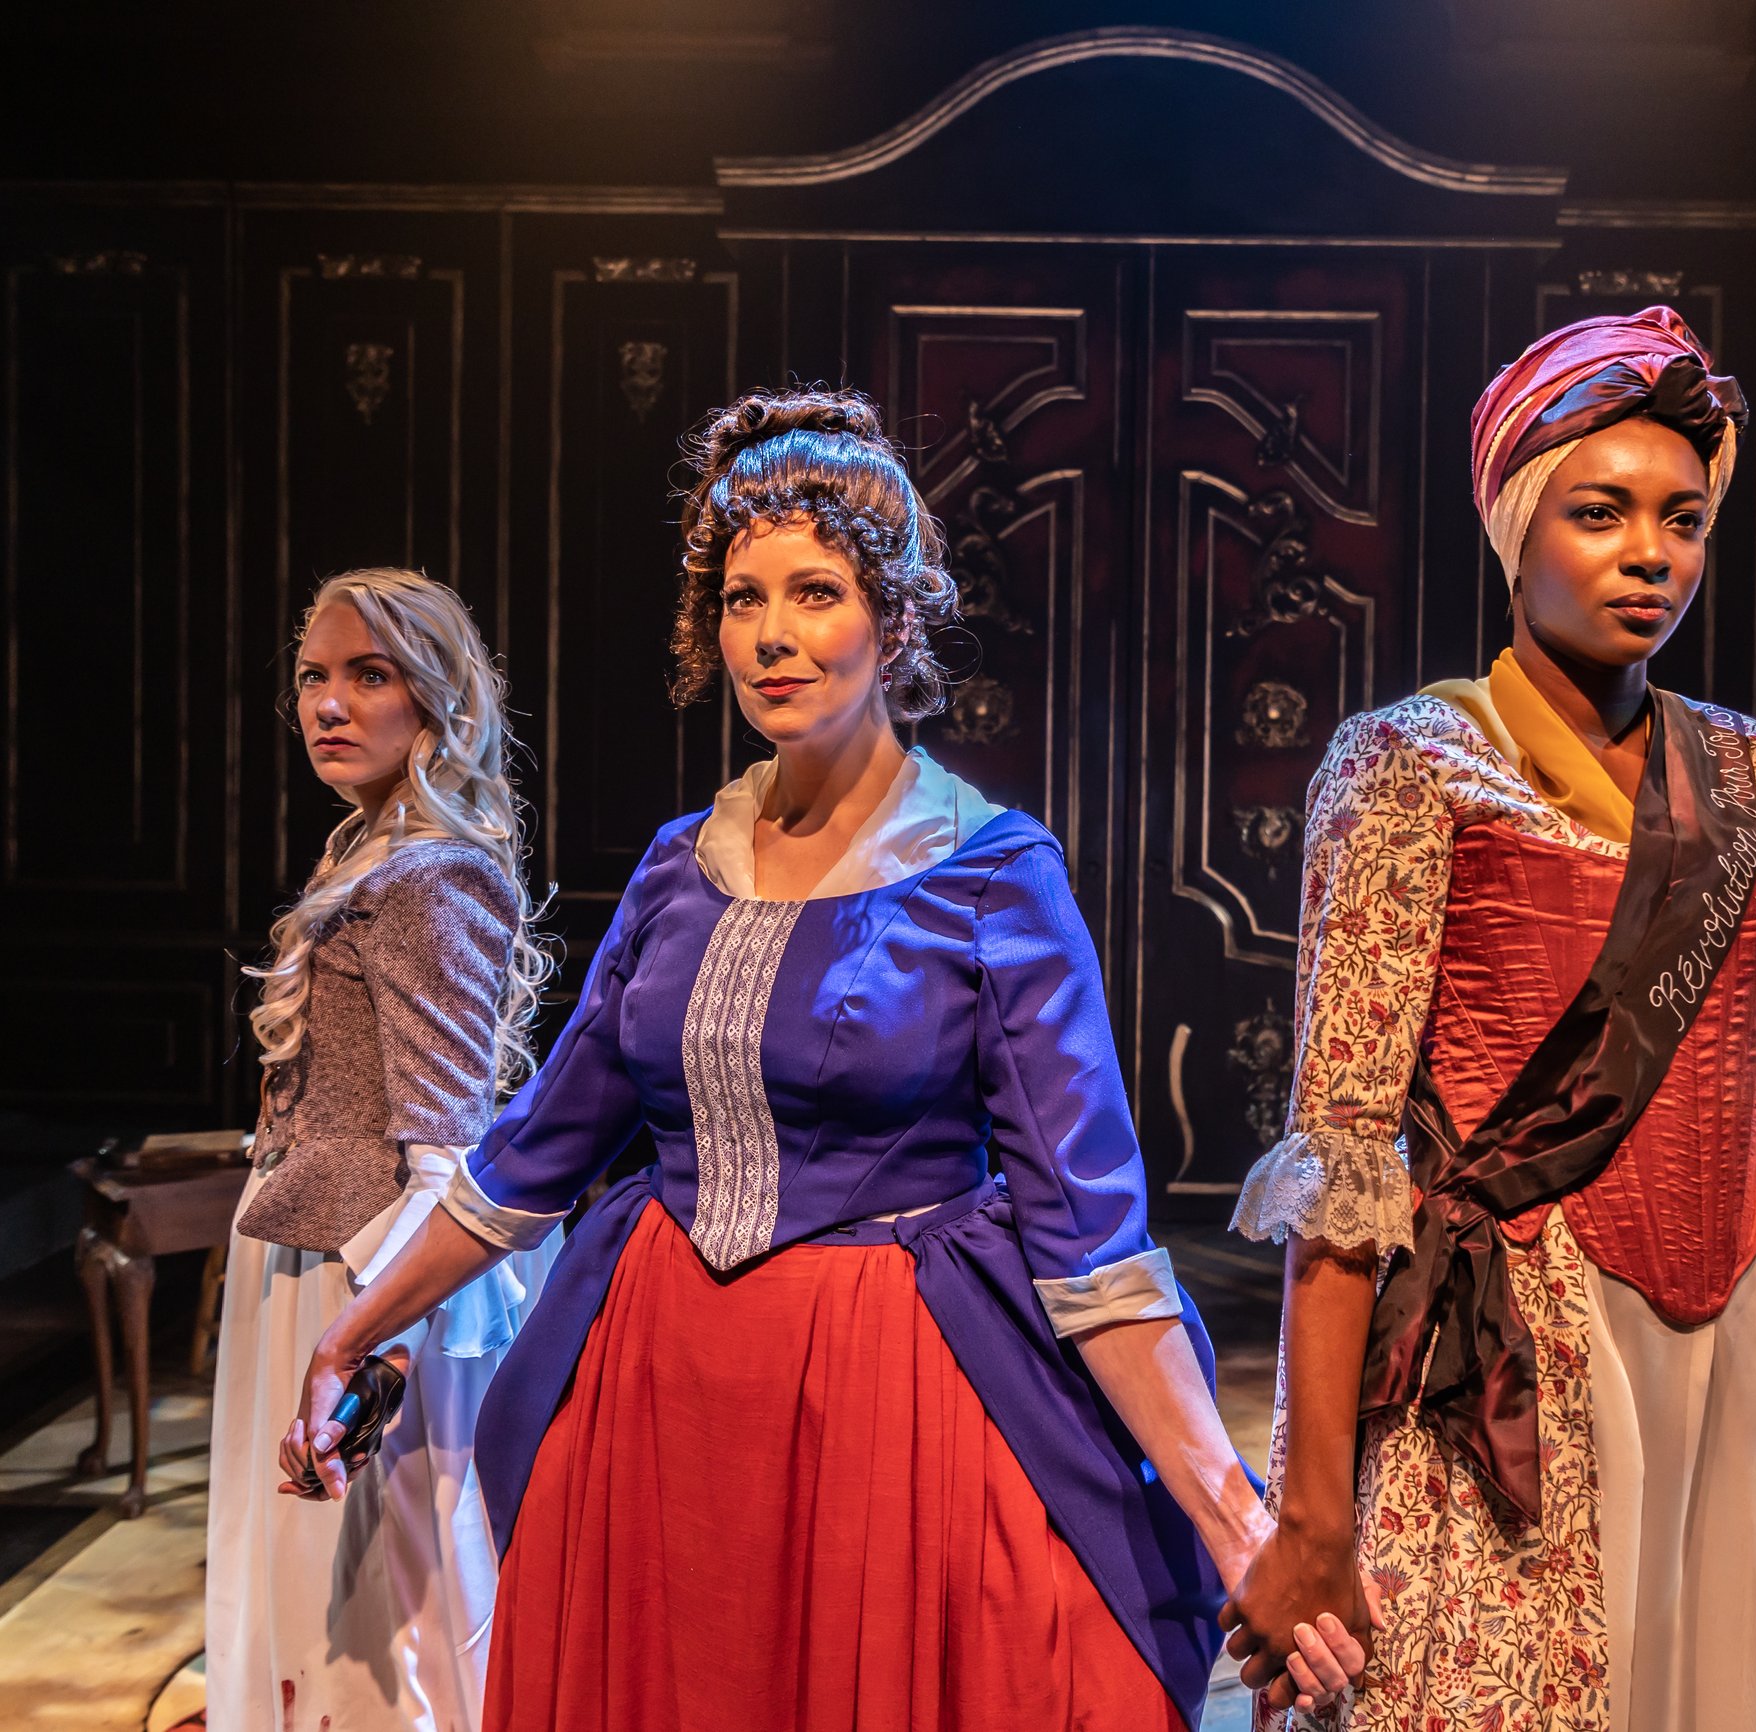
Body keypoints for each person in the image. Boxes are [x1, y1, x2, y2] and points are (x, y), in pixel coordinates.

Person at [281, 388, 1290, 1732]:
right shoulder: (674, 867)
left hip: (890, 1392)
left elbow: (1091, 1238)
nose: (771, 637)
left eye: (814, 593)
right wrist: (354, 1331)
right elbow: (534, 1154)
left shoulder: (990, 875)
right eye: (742, 599)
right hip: (657, 1383)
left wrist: (1238, 1522)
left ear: (895, 616)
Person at [1220, 307, 1756, 1732]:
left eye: (1682, 520)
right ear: (1517, 526)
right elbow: (1344, 1172)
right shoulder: (1409, 768)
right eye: (1600, 512)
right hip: (1511, 1354)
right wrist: (1312, 1514)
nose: (1651, 552)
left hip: (1735, 1350)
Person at [209, 567, 557, 1731]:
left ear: (438, 699)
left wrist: (375, 1340)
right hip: (316, 1255)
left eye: (370, 674)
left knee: (391, 1607)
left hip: (377, 1278)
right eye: (313, 677)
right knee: (324, 1593)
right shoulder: (366, 847)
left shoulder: (431, 873)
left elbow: (446, 1153)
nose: (329, 705)